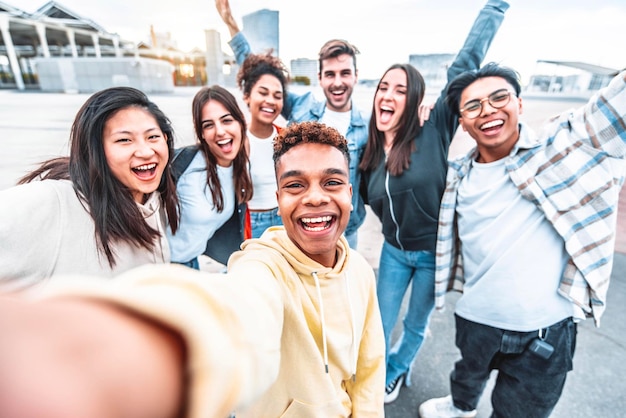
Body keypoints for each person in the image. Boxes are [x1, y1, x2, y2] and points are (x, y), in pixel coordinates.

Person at [0, 121, 386, 418]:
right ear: (279, 198)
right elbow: (235, 307)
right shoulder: (263, 265)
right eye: (296, 185)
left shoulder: (362, 273)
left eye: (332, 182)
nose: (316, 196)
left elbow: (369, 370)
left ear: (349, 194)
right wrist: (149, 344)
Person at [417, 64, 626, 418]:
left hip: (545, 330)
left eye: (500, 97)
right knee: (467, 373)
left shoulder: (560, 146)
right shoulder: (458, 176)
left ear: (520, 104)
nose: (488, 110)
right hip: (476, 316)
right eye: (473, 106)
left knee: (521, 411)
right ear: (463, 122)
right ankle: (460, 407)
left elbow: (613, 108)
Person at [358, 0, 509, 404]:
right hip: (392, 252)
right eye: (383, 88)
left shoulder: (433, 128)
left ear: (415, 101)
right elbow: (365, 205)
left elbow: (465, 63)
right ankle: (374, 371)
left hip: (430, 253)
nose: (388, 95)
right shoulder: (368, 152)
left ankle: (395, 371)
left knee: (414, 324)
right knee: (379, 322)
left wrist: (495, 7)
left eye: (401, 90)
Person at [215, 0, 367, 248]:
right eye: (330, 74)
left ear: (355, 76)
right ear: (320, 78)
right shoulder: (301, 106)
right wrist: (232, 27)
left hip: (344, 230)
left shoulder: (367, 124)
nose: (337, 82)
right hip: (301, 222)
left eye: (345, 73)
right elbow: (260, 77)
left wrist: (423, 109)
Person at [0, 86, 179, 291]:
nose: (146, 151)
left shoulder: (156, 198)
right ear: (95, 150)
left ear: (166, 139)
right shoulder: (54, 203)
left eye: (153, 137)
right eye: (124, 140)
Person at [166, 85, 253, 269]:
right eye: (208, 125)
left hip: (191, 261)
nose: (220, 131)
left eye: (227, 120)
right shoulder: (183, 165)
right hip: (162, 264)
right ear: (202, 134)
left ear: (241, 123)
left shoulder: (239, 166)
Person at [236, 51, 289, 238]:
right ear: (247, 96)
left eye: (277, 95)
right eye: (263, 92)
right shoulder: (235, 140)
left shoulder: (287, 139)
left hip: (284, 219)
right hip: (252, 222)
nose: (270, 101)